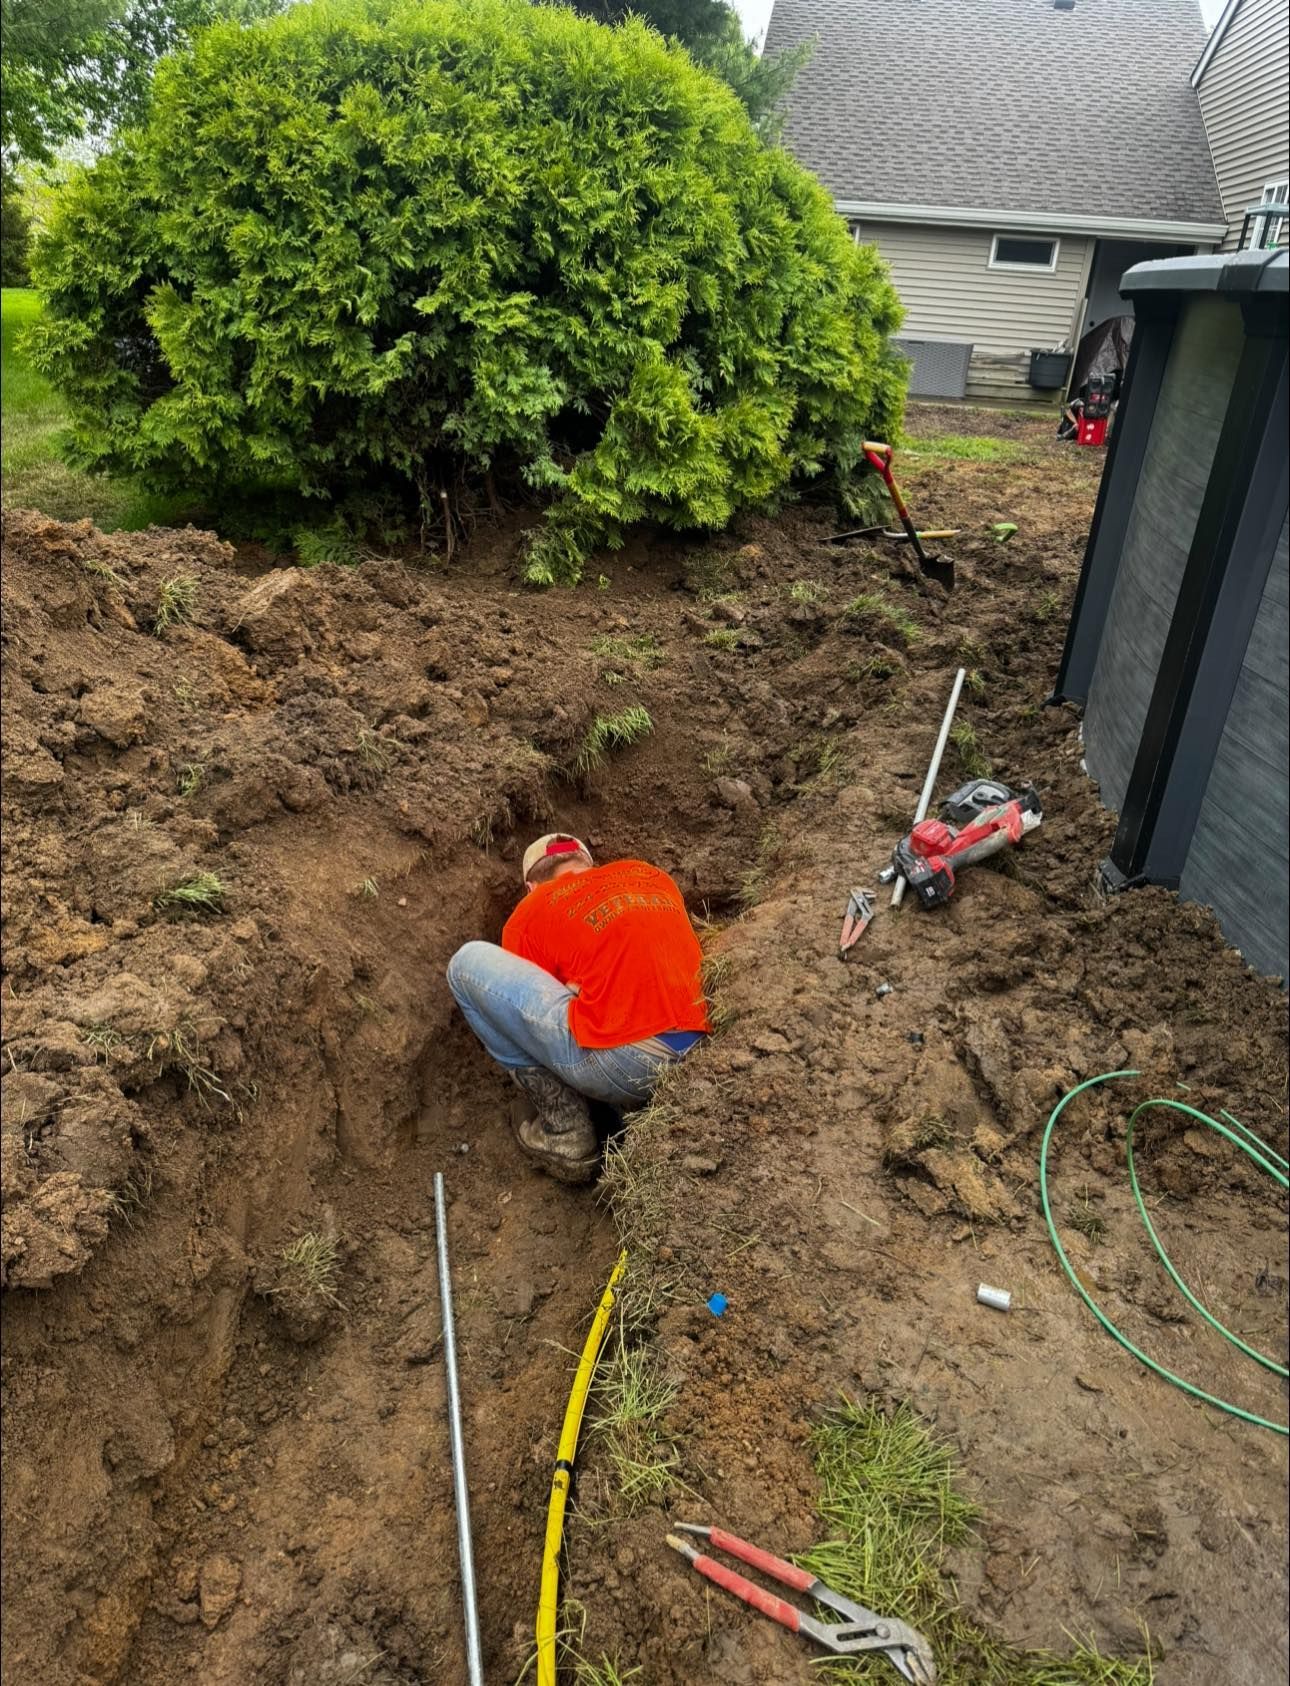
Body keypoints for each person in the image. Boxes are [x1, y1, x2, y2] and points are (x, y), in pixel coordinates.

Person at [446, 833, 711, 1183]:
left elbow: (526, 1014)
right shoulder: (649, 876)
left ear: (530, 886)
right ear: (590, 866)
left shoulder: (531, 911)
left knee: (465, 965)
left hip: (627, 1067)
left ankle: (565, 1132)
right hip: (700, 1055)